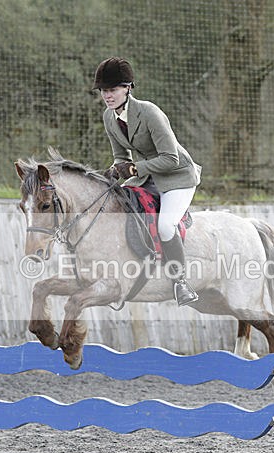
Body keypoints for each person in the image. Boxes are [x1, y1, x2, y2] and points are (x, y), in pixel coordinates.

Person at [93, 57, 201, 306]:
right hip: (147, 176)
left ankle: (180, 283)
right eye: (103, 91)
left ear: (127, 88)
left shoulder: (149, 112)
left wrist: (134, 167)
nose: (107, 96)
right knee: (119, 205)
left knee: (165, 226)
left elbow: (171, 158)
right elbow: (121, 156)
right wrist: (115, 170)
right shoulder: (109, 117)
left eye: (112, 90)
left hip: (177, 177)